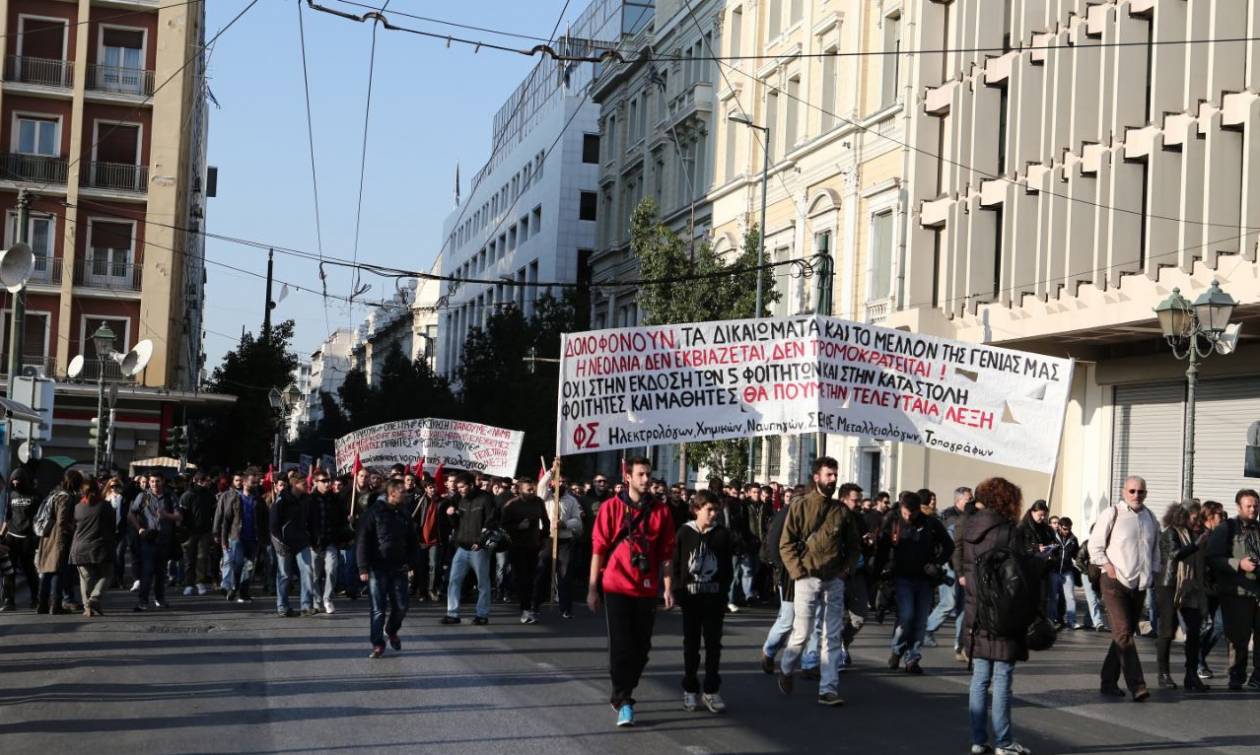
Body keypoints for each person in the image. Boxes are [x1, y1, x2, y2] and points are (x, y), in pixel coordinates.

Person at [587, 456, 676, 728]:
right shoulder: (610, 508)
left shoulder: (661, 511)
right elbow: (598, 550)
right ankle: (623, 699)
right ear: (628, 477)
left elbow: (667, 554)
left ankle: (626, 686)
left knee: (642, 647)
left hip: (646, 588)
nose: (646, 479)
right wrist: (592, 589)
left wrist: (668, 587)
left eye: (649, 474)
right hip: (615, 585)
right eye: (641, 474)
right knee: (622, 645)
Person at [775, 457, 860, 706]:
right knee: (801, 633)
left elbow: (854, 547)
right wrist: (798, 572)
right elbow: (785, 544)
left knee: (832, 637)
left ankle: (828, 689)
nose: (833, 479)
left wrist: (846, 570)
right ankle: (787, 668)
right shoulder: (800, 507)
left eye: (835, 475)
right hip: (806, 578)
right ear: (817, 477)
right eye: (828, 475)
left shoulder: (842, 511)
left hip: (834, 580)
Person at [962, 477, 1033, 755]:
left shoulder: (969, 527)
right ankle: (1004, 742)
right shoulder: (1008, 531)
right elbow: (1019, 575)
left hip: (976, 608)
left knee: (980, 677)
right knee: (1003, 676)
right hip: (1003, 611)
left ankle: (979, 740)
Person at [1088, 475, 1160, 702]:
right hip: (1114, 581)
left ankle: (1108, 681)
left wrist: (1154, 573)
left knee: (1123, 633)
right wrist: (1107, 566)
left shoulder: (1150, 517)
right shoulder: (1112, 514)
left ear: (1146, 493)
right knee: (1124, 632)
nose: (1136, 495)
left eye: (1140, 491)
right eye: (1132, 491)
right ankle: (1137, 685)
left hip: (1139, 584)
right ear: (1123, 492)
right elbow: (1094, 546)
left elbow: (1155, 550)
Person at [878, 490, 954, 674]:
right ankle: (897, 649)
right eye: (905, 513)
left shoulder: (930, 522)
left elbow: (948, 545)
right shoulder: (893, 520)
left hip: (924, 579)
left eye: (912, 513)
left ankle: (912, 658)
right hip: (901, 576)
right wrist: (878, 574)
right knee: (907, 615)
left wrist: (936, 563)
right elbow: (882, 547)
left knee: (920, 621)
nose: (908, 516)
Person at [673, 489, 733, 714]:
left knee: (713, 646)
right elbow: (677, 564)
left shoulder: (722, 535)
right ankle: (690, 689)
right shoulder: (684, 533)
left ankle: (711, 690)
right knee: (691, 646)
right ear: (697, 509)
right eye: (709, 509)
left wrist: (723, 593)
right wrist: (679, 593)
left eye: (716, 509)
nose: (714, 514)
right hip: (691, 599)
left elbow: (727, 568)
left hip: (714, 600)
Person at [1205, 488, 1260, 691]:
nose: (1253, 509)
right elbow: (1212, 558)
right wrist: (1238, 564)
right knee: (1239, 639)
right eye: (1249, 505)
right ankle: (1236, 676)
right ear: (1239, 507)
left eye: (1256, 505)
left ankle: (1258, 676)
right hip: (1236, 594)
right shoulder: (1226, 529)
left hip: (1257, 593)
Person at [357, 479, 419, 658]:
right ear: (392, 493)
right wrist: (363, 567)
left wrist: (412, 563)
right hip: (377, 567)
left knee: (402, 606)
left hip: (399, 567)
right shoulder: (374, 512)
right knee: (378, 608)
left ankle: (391, 629)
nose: (406, 494)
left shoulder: (404, 514)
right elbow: (363, 540)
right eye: (402, 492)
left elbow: (412, 540)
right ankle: (378, 644)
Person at [1154, 502, 1208, 691]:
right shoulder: (1171, 532)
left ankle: (1191, 675)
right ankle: (1163, 674)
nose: (1198, 521)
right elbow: (1174, 555)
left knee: (1194, 632)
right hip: (1170, 585)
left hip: (1191, 587)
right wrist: (1196, 545)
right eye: (1195, 517)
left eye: (1200, 517)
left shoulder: (1198, 534)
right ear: (1183, 516)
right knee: (1167, 631)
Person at [443, 471, 498, 625]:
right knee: (454, 580)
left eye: (461, 487)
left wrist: (481, 542)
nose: (459, 490)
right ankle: (452, 614)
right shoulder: (457, 498)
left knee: (482, 583)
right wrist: (451, 515)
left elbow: (491, 522)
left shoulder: (486, 499)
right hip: (462, 547)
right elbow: (455, 524)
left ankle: (482, 614)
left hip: (479, 549)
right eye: (457, 487)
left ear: (471, 485)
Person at [926, 486, 973, 655]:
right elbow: (951, 544)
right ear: (958, 500)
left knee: (962, 605)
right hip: (949, 564)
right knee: (949, 602)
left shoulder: (970, 516)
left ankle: (959, 644)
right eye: (968, 499)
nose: (971, 502)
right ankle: (927, 628)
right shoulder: (948, 517)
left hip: (964, 564)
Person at [536, 466, 583, 620]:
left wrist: (565, 524)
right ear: (553, 483)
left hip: (564, 541)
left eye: (564, 482)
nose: (561, 484)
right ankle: (535, 605)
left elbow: (577, 521)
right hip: (548, 539)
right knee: (543, 571)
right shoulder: (546, 496)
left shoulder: (571, 500)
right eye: (558, 481)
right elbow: (541, 486)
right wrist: (552, 471)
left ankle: (566, 608)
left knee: (565, 574)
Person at [129, 473, 181, 612]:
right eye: (152, 481)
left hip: (165, 539)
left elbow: (178, 516)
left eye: (157, 481)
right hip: (148, 539)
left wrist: (166, 515)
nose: (154, 484)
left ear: (163, 481)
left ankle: (159, 598)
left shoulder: (170, 496)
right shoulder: (143, 496)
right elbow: (132, 513)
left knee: (161, 571)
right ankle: (143, 601)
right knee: (147, 570)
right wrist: (139, 528)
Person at [501, 477, 547, 624]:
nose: (532, 491)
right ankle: (525, 609)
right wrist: (518, 527)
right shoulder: (511, 505)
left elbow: (546, 521)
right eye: (529, 489)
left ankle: (532, 605)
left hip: (535, 545)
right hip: (517, 546)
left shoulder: (539, 502)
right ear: (520, 490)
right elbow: (503, 526)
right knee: (522, 578)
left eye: (533, 488)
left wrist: (544, 538)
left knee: (535, 577)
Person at [271, 475, 316, 617]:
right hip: (284, 543)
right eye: (304, 483)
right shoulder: (282, 500)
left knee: (307, 571)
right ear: (295, 484)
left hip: (302, 542)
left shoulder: (306, 500)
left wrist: (313, 539)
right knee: (284, 575)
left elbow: (311, 521)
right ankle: (282, 607)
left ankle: (306, 605)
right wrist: (278, 542)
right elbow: (273, 524)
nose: (307, 485)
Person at [220, 468, 267, 603]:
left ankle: (243, 593)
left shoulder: (259, 500)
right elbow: (226, 520)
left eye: (256, 483)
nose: (255, 485)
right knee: (238, 563)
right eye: (253, 482)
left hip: (253, 539)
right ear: (245, 482)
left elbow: (264, 520)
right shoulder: (235, 498)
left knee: (249, 567)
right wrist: (224, 539)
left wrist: (265, 539)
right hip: (237, 537)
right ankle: (234, 586)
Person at [70, 477, 115, 617]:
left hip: (79, 548)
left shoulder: (77, 507)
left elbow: (72, 525)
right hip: (101, 547)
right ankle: (94, 598)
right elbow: (113, 525)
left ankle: (88, 608)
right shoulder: (105, 506)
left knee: (86, 579)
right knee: (106, 575)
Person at [36, 472, 79, 614]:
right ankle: (55, 605)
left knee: (46, 571)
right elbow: (62, 520)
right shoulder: (65, 497)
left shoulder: (54, 493)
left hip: (47, 535)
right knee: (58, 571)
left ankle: (42, 604)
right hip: (58, 536)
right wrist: (69, 532)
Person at [309, 471, 350, 614]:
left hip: (330, 541)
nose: (327, 483)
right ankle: (317, 600)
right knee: (314, 574)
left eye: (328, 481)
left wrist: (344, 527)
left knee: (332, 569)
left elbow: (342, 519)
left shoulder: (335, 499)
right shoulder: (310, 500)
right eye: (324, 481)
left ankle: (327, 598)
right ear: (315, 482)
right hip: (313, 543)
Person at [0, 469, 40, 611]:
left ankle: (36, 599)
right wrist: (1, 535)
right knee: (9, 572)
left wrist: (38, 538)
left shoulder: (35, 495)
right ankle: (8, 601)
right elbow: (7, 516)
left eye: (18, 480)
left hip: (28, 538)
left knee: (30, 571)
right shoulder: (11, 494)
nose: (15, 483)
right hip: (12, 537)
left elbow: (41, 518)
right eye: (13, 480)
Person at [1196, 500, 1227, 679]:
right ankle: (1198, 662)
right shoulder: (1202, 536)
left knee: (1219, 625)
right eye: (1220, 515)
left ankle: (1199, 658)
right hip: (1204, 589)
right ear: (1210, 516)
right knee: (1204, 626)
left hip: (1218, 589)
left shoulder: (1220, 535)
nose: (1222, 518)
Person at [179, 472, 217, 596]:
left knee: (202, 558)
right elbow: (182, 515)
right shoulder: (187, 495)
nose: (208, 482)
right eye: (205, 480)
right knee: (189, 559)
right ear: (198, 481)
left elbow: (213, 514)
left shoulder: (210, 496)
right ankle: (189, 584)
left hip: (204, 532)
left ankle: (199, 582)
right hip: (189, 532)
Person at [1048, 517, 1082, 630]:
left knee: (1070, 597)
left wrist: (1083, 561)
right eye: (1065, 529)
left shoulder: (1073, 539)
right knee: (1053, 597)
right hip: (1054, 571)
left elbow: (1076, 554)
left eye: (1069, 529)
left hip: (1067, 571)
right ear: (1059, 527)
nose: (1067, 531)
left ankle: (1072, 621)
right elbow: (1046, 550)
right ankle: (1052, 619)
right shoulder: (1052, 537)